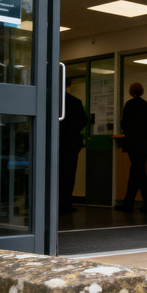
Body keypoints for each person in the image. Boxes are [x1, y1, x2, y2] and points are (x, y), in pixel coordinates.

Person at [119, 81, 147, 213]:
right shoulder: (145, 104)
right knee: (138, 171)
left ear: (131, 91)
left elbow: (124, 123)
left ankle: (130, 203)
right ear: (141, 91)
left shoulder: (129, 105)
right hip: (143, 143)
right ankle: (146, 203)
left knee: (136, 172)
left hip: (131, 143)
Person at [59, 82, 88, 214]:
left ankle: (54, 202)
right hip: (71, 143)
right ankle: (66, 203)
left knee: (55, 173)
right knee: (69, 173)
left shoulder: (50, 101)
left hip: (56, 142)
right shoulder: (75, 102)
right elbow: (84, 120)